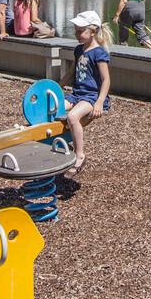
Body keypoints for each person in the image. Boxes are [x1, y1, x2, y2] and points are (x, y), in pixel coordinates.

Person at [60, 10, 112, 178]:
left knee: (73, 117)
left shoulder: (99, 53)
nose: (77, 35)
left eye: (80, 31)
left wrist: (99, 102)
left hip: (90, 96)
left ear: (93, 32)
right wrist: (56, 89)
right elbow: (70, 73)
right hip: (76, 94)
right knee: (53, 108)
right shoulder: (78, 50)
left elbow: (106, 80)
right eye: (76, 31)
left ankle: (79, 155)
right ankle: (63, 143)